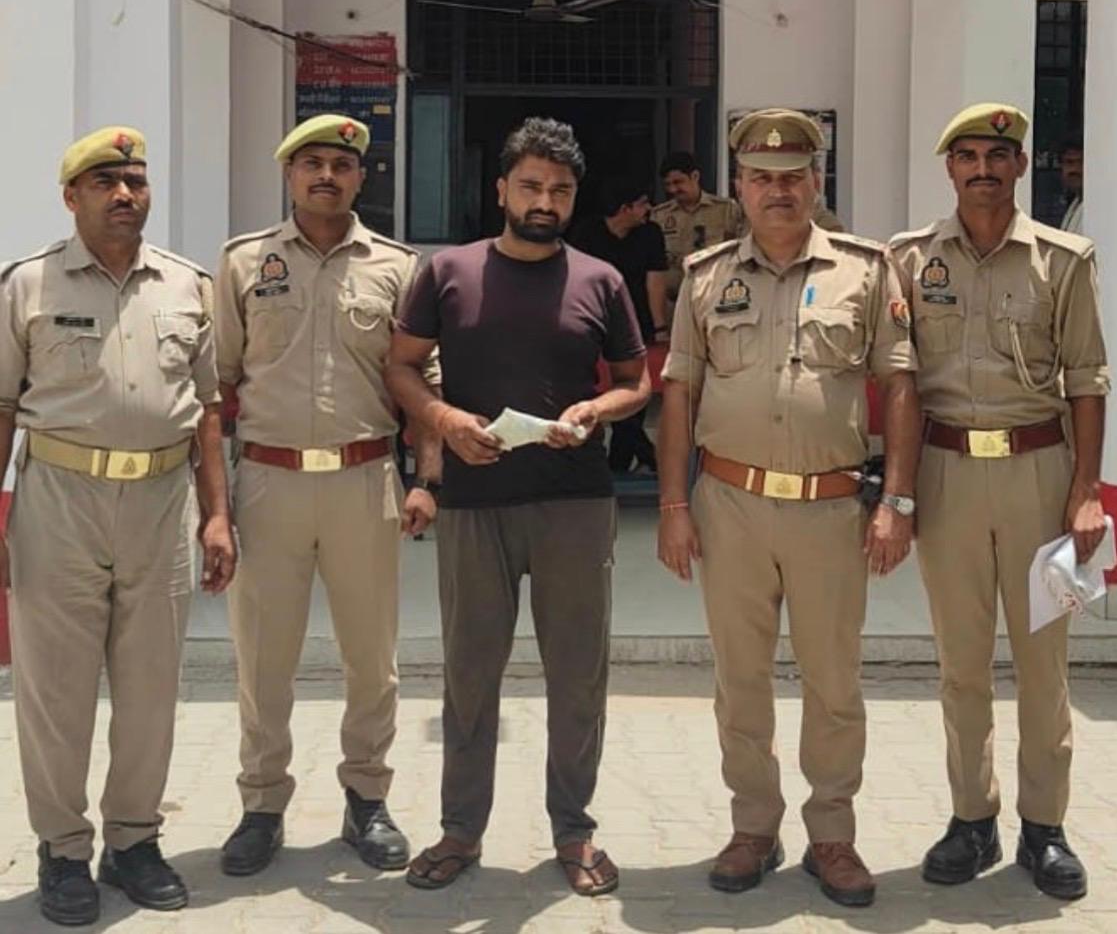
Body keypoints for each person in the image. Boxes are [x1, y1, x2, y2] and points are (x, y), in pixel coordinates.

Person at [656, 108, 920, 908]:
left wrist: (897, 500)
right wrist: (673, 504)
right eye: (762, 177)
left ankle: (832, 834)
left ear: (817, 181)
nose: (779, 190)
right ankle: (753, 827)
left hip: (830, 509)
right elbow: (679, 392)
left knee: (833, 680)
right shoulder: (706, 276)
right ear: (739, 186)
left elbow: (899, 386)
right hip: (729, 505)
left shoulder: (866, 271)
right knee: (740, 680)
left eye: (794, 176)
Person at [387, 117, 650, 898]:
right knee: (471, 674)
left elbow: (637, 381)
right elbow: (401, 368)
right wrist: (444, 421)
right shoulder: (448, 272)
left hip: (574, 502)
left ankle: (573, 830)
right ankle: (460, 830)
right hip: (476, 502)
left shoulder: (600, 280)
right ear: (501, 188)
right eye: (531, 186)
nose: (545, 201)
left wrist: (597, 410)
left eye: (560, 190)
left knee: (578, 675)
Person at [0, 126, 235, 926]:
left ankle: (133, 841)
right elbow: (2, 405)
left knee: (150, 688)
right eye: (105, 182)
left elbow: (208, 410)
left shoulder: (186, 285)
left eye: (135, 181)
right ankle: (64, 849)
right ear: (72, 197)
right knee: (54, 691)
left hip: (162, 504)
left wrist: (217, 515)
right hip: (58, 501)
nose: (125, 194)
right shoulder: (26, 286)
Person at [890, 103, 1109, 902]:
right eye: (967, 157)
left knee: (1044, 663)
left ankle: (1044, 827)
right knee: (962, 663)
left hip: (1038, 475)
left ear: (1020, 166)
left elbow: (1087, 379)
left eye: (997, 156)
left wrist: (1086, 492)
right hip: (947, 475)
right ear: (949, 169)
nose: (982, 169)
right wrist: (898, 496)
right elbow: (900, 380)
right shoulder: (909, 259)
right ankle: (971, 817)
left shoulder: (1064, 259)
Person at [213, 114, 441, 878]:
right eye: (310, 163)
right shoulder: (244, 263)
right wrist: (216, 507)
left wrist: (426, 481)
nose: (325, 176)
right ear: (288, 174)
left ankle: (367, 798)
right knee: (262, 659)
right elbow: (218, 384)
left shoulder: (397, 268)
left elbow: (423, 383)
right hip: (268, 482)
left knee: (371, 658)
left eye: (340, 165)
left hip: (364, 480)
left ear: (360, 177)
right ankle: (261, 805)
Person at [571, 173, 669, 472]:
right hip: (594, 324)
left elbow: (655, 283)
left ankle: (620, 465)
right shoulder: (586, 233)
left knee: (633, 394)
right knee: (597, 393)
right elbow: (575, 282)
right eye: (642, 203)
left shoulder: (650, 233)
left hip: (635, 323)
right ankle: (640, 458)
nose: (648, 209)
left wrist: (660, 328)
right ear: (625, 208)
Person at [650, 152, 741, 312]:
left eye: (678, 182)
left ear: (695, 176)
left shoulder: (726, 210)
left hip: (714, 300)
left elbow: (739, 252)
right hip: (673, 304)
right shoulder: (659, 215)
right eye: (668, 184)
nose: (673, 189)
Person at [1057, 132, 1084, 233]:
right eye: (1069, 162)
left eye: (1081, 162)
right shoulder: (1075, 203)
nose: (1075, 169)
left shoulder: (1099, 206)